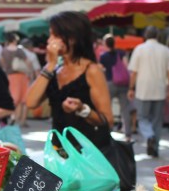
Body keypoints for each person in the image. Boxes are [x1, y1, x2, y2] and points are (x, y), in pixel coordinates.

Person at [27, 11, 113, 149]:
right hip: (59, 149)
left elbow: (108, 120)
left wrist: (82, 109)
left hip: (86, 152)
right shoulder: (54, 69)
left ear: (71, 39)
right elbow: (31, 102)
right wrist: (50, 64)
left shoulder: (91, 70)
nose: (49, 41)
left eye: (54, 35)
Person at [127, 26, 169, 158]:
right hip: (159, 89)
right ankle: (155, 147)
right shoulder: (166, 50)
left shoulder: (139, 49)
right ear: (157, 36)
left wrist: (131, 88)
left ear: (145, 36)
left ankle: (149, 135)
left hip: (143, 90)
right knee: (157, 120)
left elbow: (133, 73)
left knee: (142, 117)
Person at [99, 34, 132, 139]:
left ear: (105, 44)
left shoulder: (103, 56)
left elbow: (100, 70)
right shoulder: (121, 53)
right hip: (123, 83)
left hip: (110, 83)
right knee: (125, 108)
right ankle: (127, 132)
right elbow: (127, 67)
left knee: (107, 107)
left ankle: (107, 129)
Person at [1, 33, 35, 127]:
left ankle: (13, 117)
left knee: (13, 98)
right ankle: (19, 119)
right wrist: (30, 73)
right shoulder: (19, 50)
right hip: (20, 76)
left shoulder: (4, 51)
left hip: (9, 76)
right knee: (21, 99)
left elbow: (2, 63)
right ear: (15, 40)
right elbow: (28, 62)